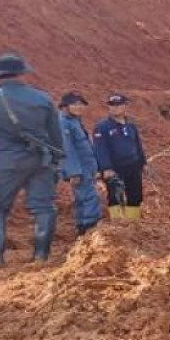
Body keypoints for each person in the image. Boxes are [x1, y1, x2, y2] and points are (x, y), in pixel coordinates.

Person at [0, 53, 64, 269]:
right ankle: (41, 256)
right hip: (40, 160)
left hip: (6, 162)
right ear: (22, 74)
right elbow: (56, 135)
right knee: (44, 207)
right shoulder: (43, 99)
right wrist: (57, 159)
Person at [93, 94, 148, 219]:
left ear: (125, 106)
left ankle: (133, 222)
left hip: (133, 165)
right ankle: (117, 223)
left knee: (135, 195)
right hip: (115, 168)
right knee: (115, 196)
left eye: (118, 105)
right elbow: (100, 149)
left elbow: (137, 145)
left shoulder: (130, 125)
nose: (115, 108)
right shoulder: (102, 127)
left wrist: (143, 163)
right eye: (112, 105)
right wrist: (106, 168)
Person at [58, 91, 104, 235]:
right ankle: (91, 230)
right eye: (74, 104)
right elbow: (67, 149)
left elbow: (85, 147)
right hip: (79, 170)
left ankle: (83, 230)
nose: (79, 107)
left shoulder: (75, 121)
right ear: (65, 106)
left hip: (86, 168)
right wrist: (73, 172)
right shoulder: (63, 123)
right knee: (90, 198)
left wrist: (95, 168)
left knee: (82, 199)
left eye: (81, 104)